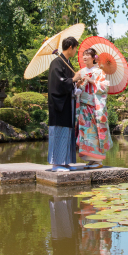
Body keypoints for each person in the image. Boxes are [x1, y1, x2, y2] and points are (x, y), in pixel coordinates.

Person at [48, 36, 82, 171]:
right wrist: (73, 79)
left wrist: (76, 83)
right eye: (75, 48)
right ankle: (56, 163)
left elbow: (69, 83)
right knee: (59, 132)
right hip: (59, 105)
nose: (75, 51)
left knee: (67, 132)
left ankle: (65, 161)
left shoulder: (67, 63)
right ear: (70, 47)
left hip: (68, 104)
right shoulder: (56, 63)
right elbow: (58, 83)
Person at [74, 48, 112, 169]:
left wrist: (92, 81)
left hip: (93, 106)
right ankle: (90, 159)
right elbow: (76, 87)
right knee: (85, 133)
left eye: (87, 55)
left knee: (94, 132)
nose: (85, 57)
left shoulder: (99, 71)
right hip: (83, 105)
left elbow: (105, 87)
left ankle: (98, 160)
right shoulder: (81, 72)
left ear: (93, 57)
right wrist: (78, 85)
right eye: (84, 55)